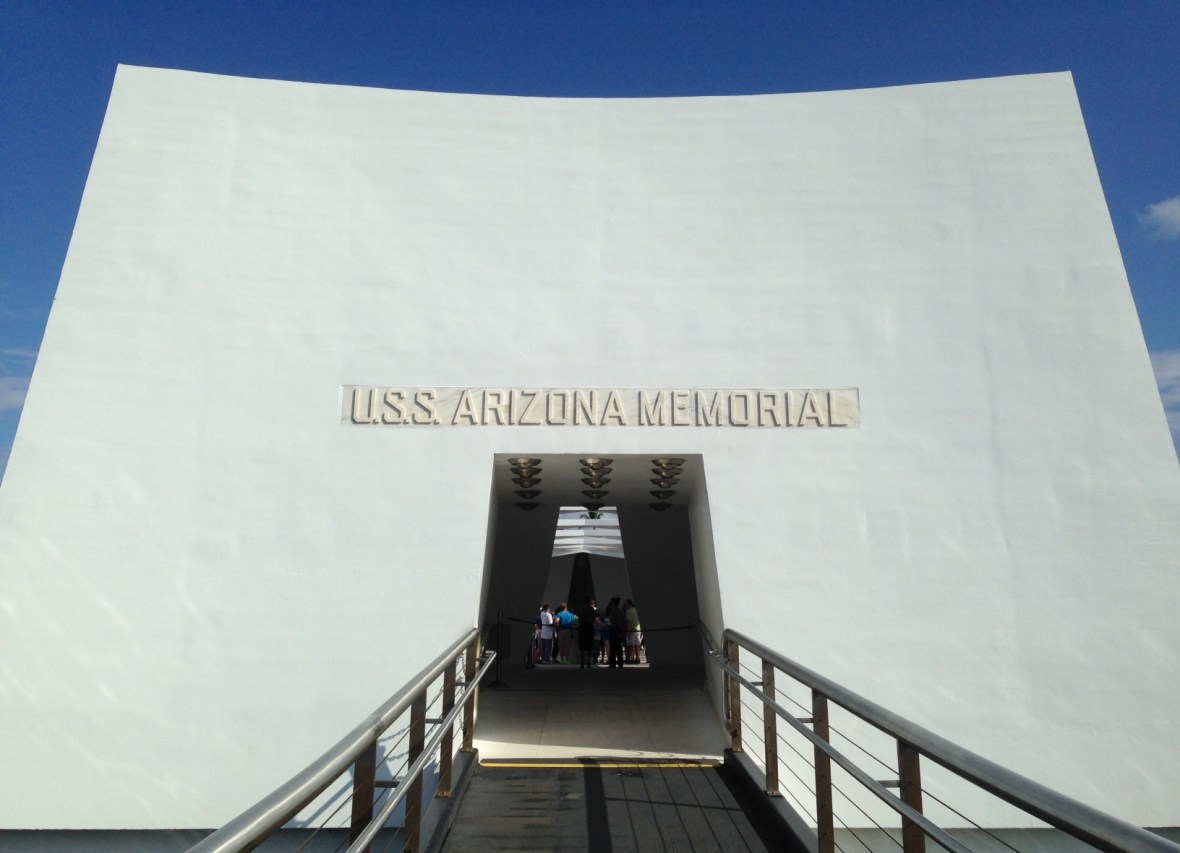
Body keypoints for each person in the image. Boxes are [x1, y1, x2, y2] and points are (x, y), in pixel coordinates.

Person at [577, 597, 598, 668]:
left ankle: (582, 663)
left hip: (582, 626)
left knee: (582, 646)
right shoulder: (591, 609)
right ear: (589, 601)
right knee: (589, 646)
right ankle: (588, 663)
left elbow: (579, 617)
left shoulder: (581, 608)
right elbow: (594, 618)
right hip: (589, 626)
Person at [605, 597, 624, 668]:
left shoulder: (612, 612)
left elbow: (611, 622)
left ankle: (613, 664)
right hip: (619, 630)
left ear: (613, 603)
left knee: (612, 648)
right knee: (619, 648)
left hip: (613, 630)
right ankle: (620, 663)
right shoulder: (621, 611)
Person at [624, 599, 643, 664]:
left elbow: (628, 622)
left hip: (632, 630)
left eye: (625, 604)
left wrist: (628, 633)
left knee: (631, 645)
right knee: (637, 645)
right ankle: (638, 659)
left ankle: (631, 659)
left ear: (628, 604)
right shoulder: (636, 610)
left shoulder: (628, 611)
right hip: (638, 629)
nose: (625, 605)